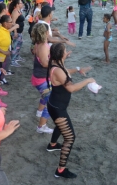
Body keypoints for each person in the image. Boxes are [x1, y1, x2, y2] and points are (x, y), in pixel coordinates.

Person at [46, 43, 94, 178]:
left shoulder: (56, 64)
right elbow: (71, 88)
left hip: (55, 105)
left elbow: (66, 72)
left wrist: (78, 69)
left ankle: (52, 144)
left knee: (59, 125)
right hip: (57, 108)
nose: (67, 53)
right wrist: (88, 80)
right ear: (60, 54)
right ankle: (60, 170)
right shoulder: (58, 70)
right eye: (65, 51)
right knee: (70, 138)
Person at [31, 23, 53, 134]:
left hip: (38, 77)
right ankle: (41, 126)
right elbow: (45, 63)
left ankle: (39, 111)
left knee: (45, 95)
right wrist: (56, 61)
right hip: (42, 79)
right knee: (51, 102)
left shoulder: (38, 44)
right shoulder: (44, 46)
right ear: (45, 33)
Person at [9, 0, 25, 67]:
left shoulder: (19, 11)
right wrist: (15, 32)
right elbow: (13, 22)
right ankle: (12, 60)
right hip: (16, 32)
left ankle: (17, 57)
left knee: (19, 44)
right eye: (21, 3)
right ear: (17, 5)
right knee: (15, 46)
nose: (22, 4)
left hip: (19, 31)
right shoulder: (15, 12)